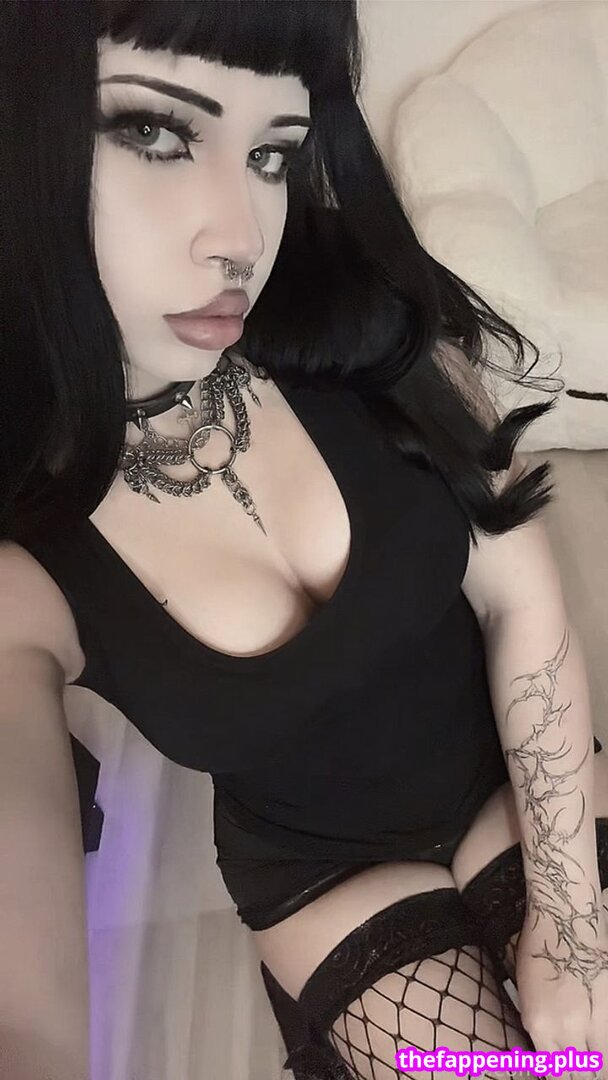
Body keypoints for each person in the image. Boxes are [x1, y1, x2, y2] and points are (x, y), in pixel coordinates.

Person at [1, 3, 607, 1079]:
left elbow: (522, 595)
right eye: (155, 130)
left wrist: (569, 931)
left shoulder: (360, 317)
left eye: (272, 153)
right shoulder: (24, 565)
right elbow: (26, 1017)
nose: (240, 235)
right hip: (321, 879)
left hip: (512, 767)